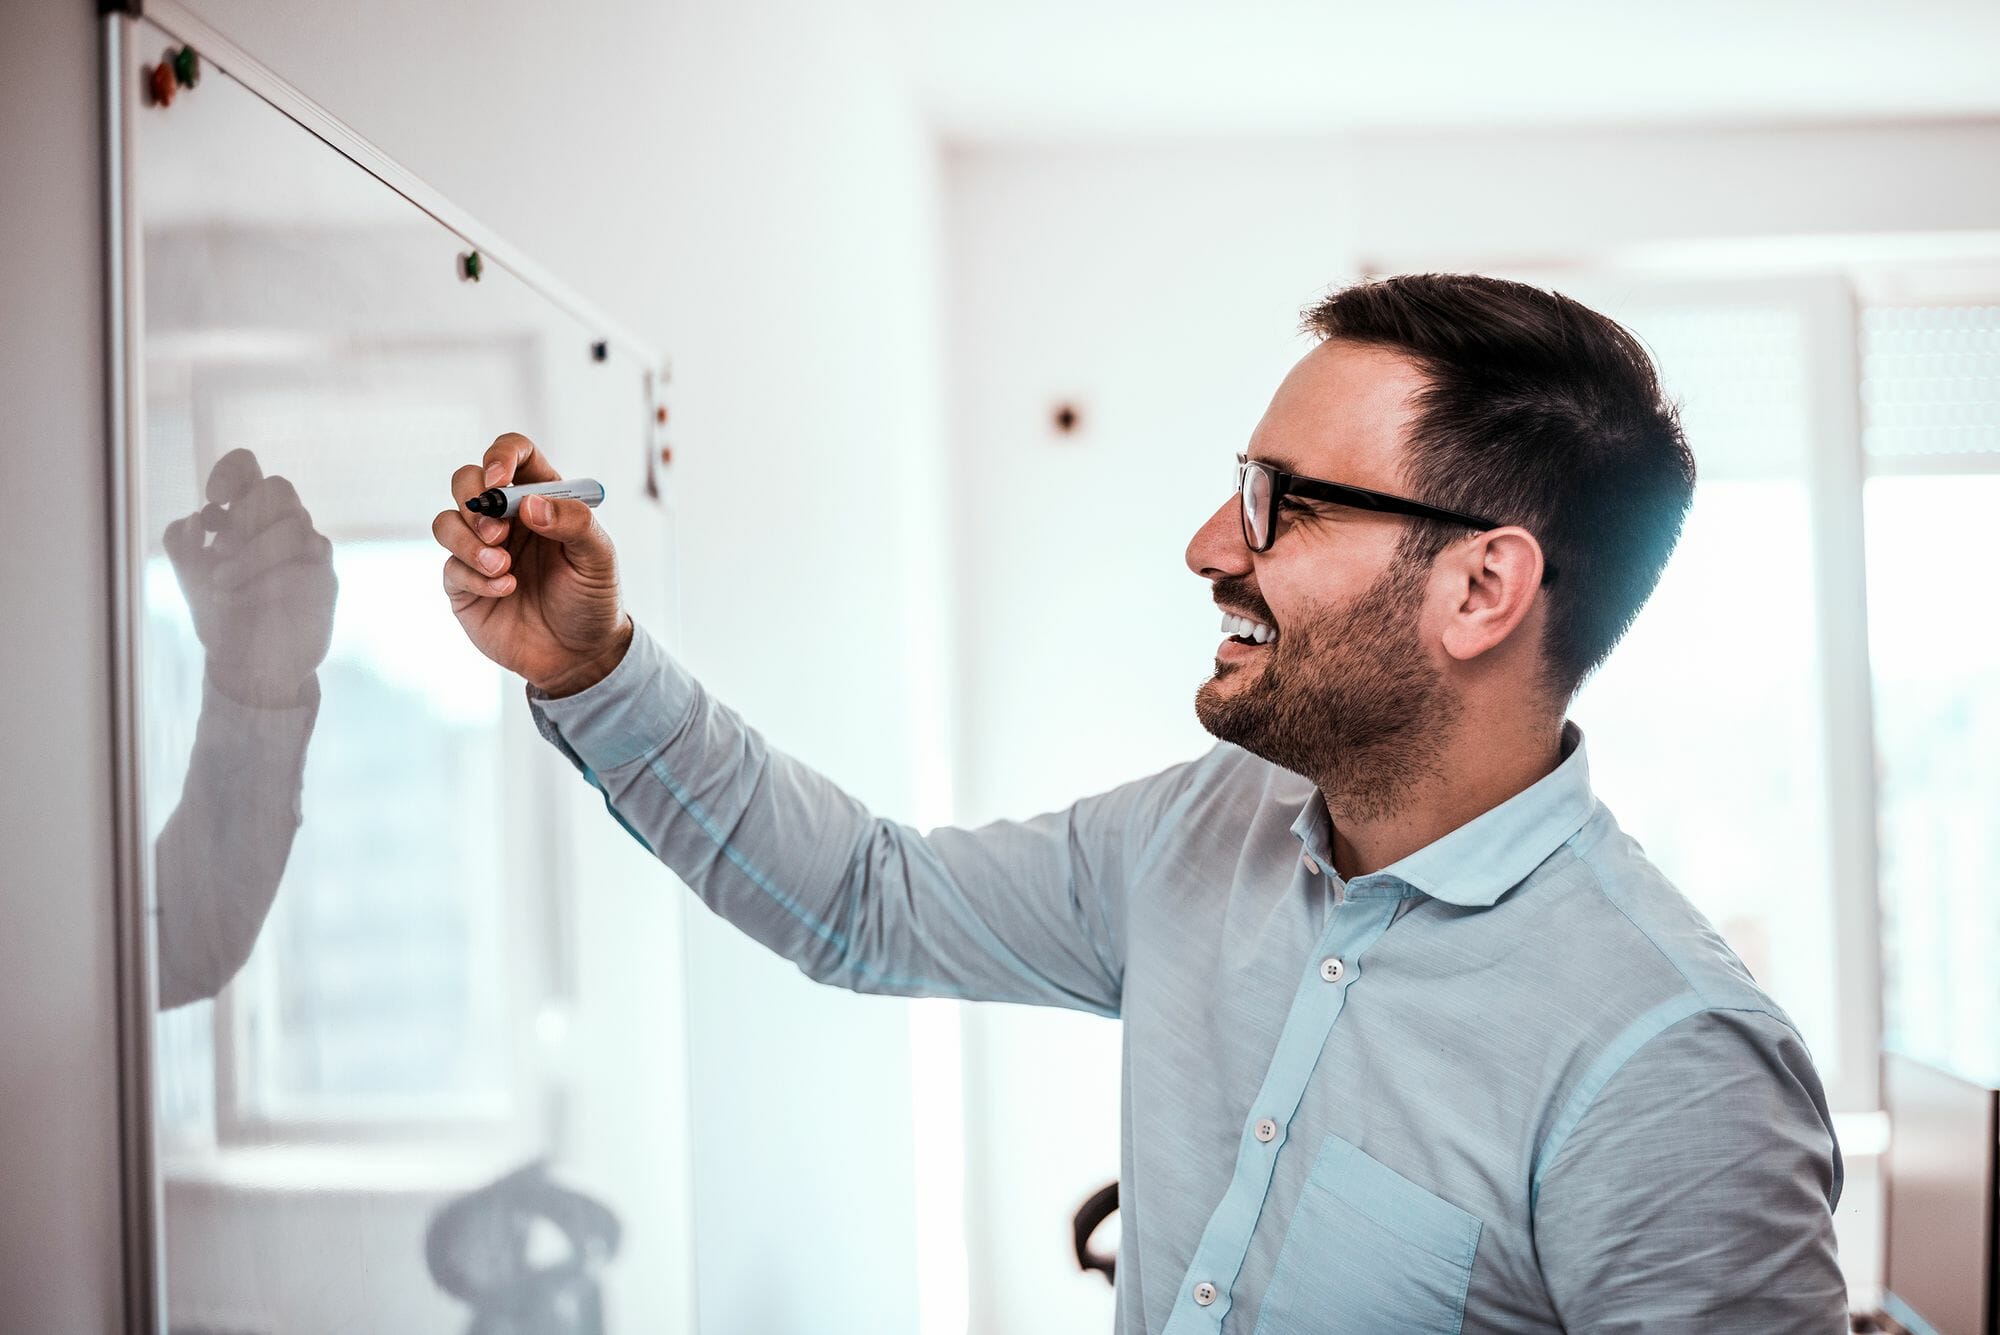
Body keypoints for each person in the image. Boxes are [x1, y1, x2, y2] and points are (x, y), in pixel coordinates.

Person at [432, 273, 1847, 1333]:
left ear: (1483, 589)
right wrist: (593, 671)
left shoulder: (1673, 1064)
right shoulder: (1205, 831)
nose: (1206, 547)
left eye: (1276, 501)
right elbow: (871, 899)